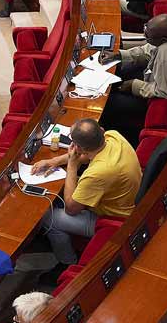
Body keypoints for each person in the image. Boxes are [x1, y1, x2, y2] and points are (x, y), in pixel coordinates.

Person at [33, 119, 141, 283]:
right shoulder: (113, 136)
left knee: (49, 218)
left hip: (113, 218)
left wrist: (71, 166)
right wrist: (52, 161)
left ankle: (66, 261)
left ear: (78, 147)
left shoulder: (98, 173)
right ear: (102, 130)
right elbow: (86, 155)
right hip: (123, 197)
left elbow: (71, 208)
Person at [99, 14, 167, 145]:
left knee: (109, 103)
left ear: (162, 39)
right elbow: (148, 50)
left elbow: (165, 92)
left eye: (148, 37)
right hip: (158, 78)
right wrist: (120, 55)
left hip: (164, 102)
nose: (145, 37)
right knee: (121, 72)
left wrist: (133, 85)